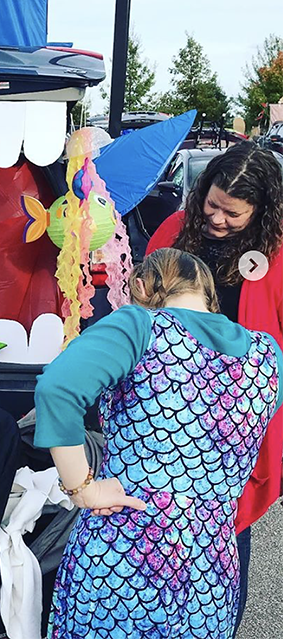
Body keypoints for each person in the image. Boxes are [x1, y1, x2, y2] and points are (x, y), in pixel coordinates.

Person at [31, 248, 283, 638]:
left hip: (125, 559)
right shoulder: (266, 355)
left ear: (141, 286)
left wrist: (83, 488)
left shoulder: (140, 326)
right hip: (210, 568)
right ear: (209, 294)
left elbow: (58, 388)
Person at [146, 140, 283, 632]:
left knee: (225, 534)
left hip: (236, 422)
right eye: (212, 205)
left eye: (233, 213)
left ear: (262, 211)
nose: (218, 219)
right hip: (167, 410)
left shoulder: (279, 254)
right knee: (159, 531)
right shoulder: (173, 230)